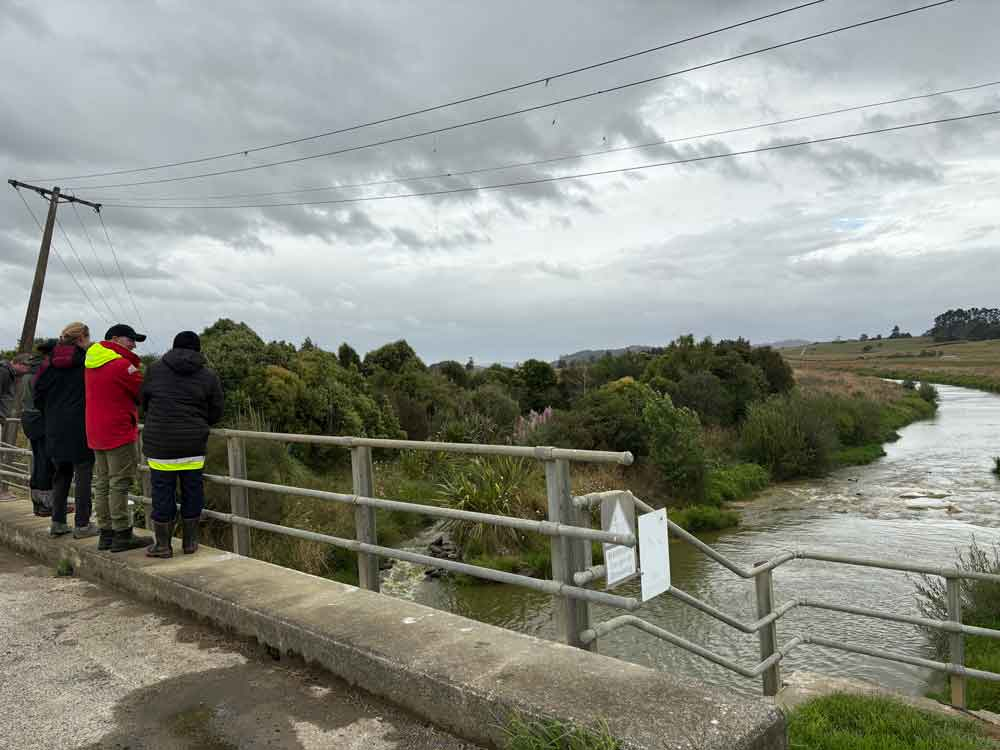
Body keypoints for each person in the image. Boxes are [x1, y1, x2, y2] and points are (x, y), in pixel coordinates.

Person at [143, 331, 223, 557]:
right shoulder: (208, 376)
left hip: (160, 444)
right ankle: (190, 543)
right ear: (198, 350)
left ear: (173, 347)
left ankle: (162, 545)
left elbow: (145, 403)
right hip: (192, 445)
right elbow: (216, 410)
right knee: (192, 491)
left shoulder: (154, 369)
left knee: (162, 493)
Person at [85, 323, 148, 552]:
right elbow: (142, 393)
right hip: (118, 431)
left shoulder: (91, 362)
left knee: (102, 483)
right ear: (114, 339)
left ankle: (106, 534)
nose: (133, 344)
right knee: (119, 483)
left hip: (96, 430)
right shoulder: (122, 365)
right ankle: (122, 533)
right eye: (129, 339)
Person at [35, 324, 98, 537]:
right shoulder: (87, 362)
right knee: (83, 473)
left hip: (53, 425)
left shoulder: (48, 363)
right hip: (80, 425)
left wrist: (51, 414)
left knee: (61, 474)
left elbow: (38, 395)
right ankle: (82, 524)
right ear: (82, 338)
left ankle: (58, 522)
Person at [22, 340, 58, 516]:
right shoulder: (43, 371)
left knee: (38, 460)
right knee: (45, 461)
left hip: (29, 419)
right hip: (41, 419)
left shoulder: (29, 370)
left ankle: (37, 502)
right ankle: (47, 504)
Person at [0, 353, 35, 502]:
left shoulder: (8, 373)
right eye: (26, 366)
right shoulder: (4, 373)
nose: (28, 370)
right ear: (18, 363)